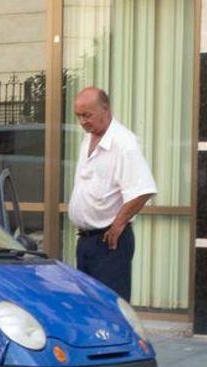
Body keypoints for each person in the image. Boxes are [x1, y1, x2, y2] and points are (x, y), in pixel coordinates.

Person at [67, 87, 157, 300]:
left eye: (87, 115)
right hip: (86, 240)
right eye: (78, 116)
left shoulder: (123, 143)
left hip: (109, 241)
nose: (82, 121)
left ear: (105, 110)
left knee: (110, 307)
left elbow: (143, 190)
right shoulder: (88, 139)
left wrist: (118, 225)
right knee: (88, 306)